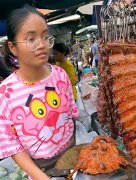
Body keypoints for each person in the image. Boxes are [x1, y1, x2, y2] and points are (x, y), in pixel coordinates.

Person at [0, 6, 79, 180]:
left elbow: (71, 118)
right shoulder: (6, 93)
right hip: (40, 172)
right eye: (31, 38)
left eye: (45, 36)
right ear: (13, 48)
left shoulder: (60, 75)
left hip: (74, 162)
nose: (41, 44)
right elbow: (13, 146)